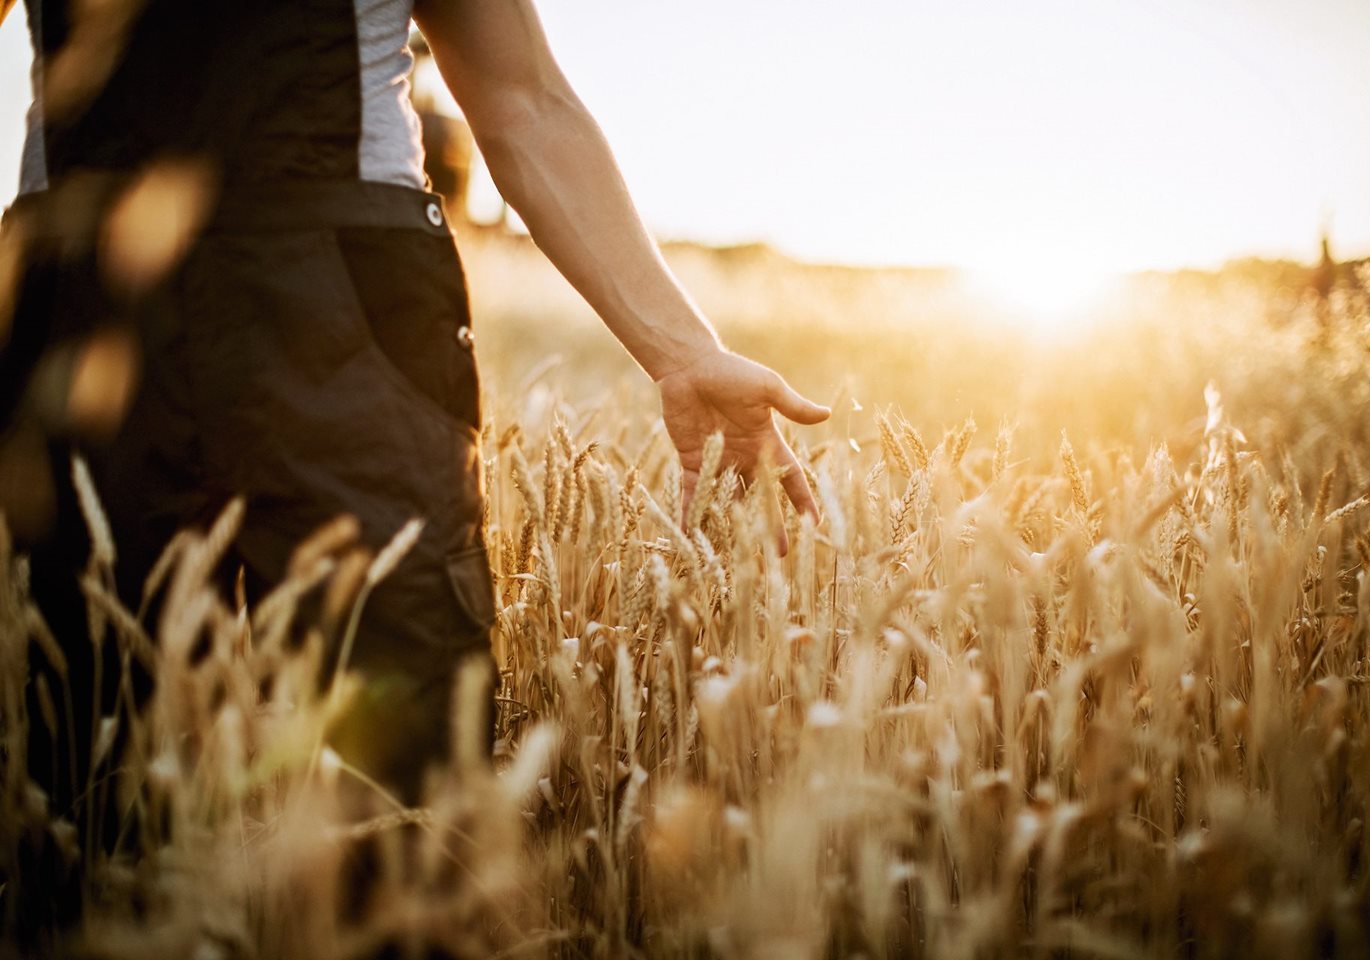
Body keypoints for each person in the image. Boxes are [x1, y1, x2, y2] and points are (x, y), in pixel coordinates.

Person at [0, 0, 830, 814]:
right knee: (96, 767)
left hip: (347, 308)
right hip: (87, 300)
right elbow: (524, 102)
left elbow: (522, 99)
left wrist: (683, 351)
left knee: (399, 781)